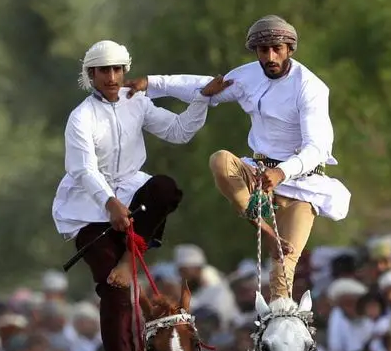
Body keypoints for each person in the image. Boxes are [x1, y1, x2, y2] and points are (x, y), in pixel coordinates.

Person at [129, 15, 352, 299]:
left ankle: (282, 322)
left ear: (289, 49)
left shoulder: (310, 87)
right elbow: (205, 87)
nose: (270, 57)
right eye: (263, 50)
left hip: (302, 185)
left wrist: (282, 172)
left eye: (277, 49)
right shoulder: (249, 76)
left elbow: (317, 147)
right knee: (220, 160)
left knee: (282, 271)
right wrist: (150, 83)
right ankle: (262, 226)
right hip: (258, 176)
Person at [53, 39, 228, 351]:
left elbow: (179, 131)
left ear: (124, 71)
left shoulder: (137, 102)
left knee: (165, 188)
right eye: (103, 70)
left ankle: (129, 258)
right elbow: (83, 168)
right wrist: (109, 203)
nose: (111, 77)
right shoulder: (81, 117)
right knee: (115, 292)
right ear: (91, 75)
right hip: (89, 208)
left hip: (130, 193)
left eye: (117, 69)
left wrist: (201, 99)